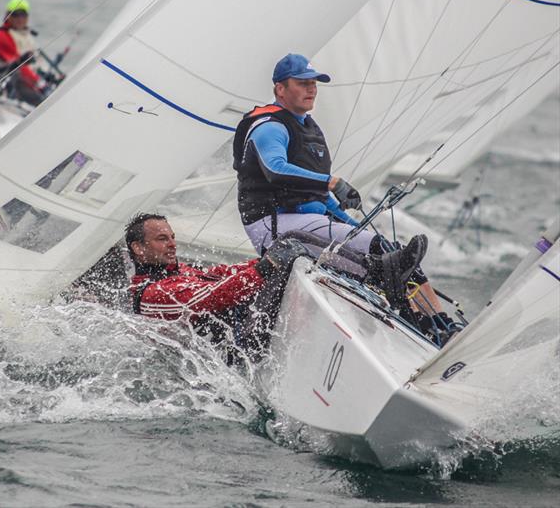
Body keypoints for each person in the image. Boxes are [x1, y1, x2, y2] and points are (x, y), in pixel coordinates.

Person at [232, 53, 460, 337]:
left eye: (314, 83)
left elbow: (315, 195)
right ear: (280, 88)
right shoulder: (269, 126)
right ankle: (417, 325)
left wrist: (350, 224)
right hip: (273, 225)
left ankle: (440, 325)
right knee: (381, 258)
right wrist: (332, 182)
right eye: (302, 83)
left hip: (305, 221)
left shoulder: (309, 129)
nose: (311, 89)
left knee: (392, 251)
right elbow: (275, 170)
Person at [125, 213, 428, 360]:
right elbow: (212, 297)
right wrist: (267, 266)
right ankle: (380, 275)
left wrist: (263, 263)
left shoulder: (179, 273)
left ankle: (378, 280)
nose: (173, 244)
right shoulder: (152, 294)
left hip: (247, 332)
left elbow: (225, 274)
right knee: (290, 247)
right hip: (239, 353)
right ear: (139, 249)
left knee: (289, 243)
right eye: (162, 239)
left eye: (173, 236)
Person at [0, 0, 47, 106]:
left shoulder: (28, 35)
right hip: (4, 85)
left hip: (28, 82)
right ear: (7, 16)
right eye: (15, 15)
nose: (20, 18)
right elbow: (17, 65)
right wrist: (40, 84)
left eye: (23, 14)